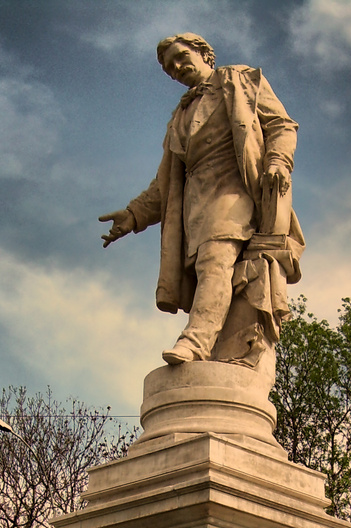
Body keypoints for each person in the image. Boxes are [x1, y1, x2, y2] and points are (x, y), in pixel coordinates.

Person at [99, 33, 304, 366]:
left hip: (235, 190)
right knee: (211, 273)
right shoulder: (179, 116)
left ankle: (194, 342)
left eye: (181, 57)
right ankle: (221, 346)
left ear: (204, 53)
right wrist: (134, 215)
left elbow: (282, 125)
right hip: (196, 204)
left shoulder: (242, 81)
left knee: (215, 260)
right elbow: (165, 182)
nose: (177, 68)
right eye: (169, 68)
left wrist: (278, 161)